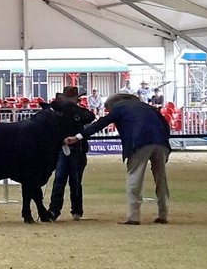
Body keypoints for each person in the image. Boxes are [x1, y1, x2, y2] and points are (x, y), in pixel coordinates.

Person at [65, 92, 171, 225]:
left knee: (135, 177)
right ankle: (163, 214)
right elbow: (166, 125)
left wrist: (78, 136)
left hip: (138, 143)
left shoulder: (119, 108)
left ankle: (134, 216)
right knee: (161, 178)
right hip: (160, 142)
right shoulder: (147, 107)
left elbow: (100, 124)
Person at [48, 86, 96, 221]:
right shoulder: (61, 112)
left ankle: (67, 210)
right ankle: (57, 210)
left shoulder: (73, 112)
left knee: (71, 181)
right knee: (63, 180)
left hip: (77, 149)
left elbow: (90, 117)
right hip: (65, 149)